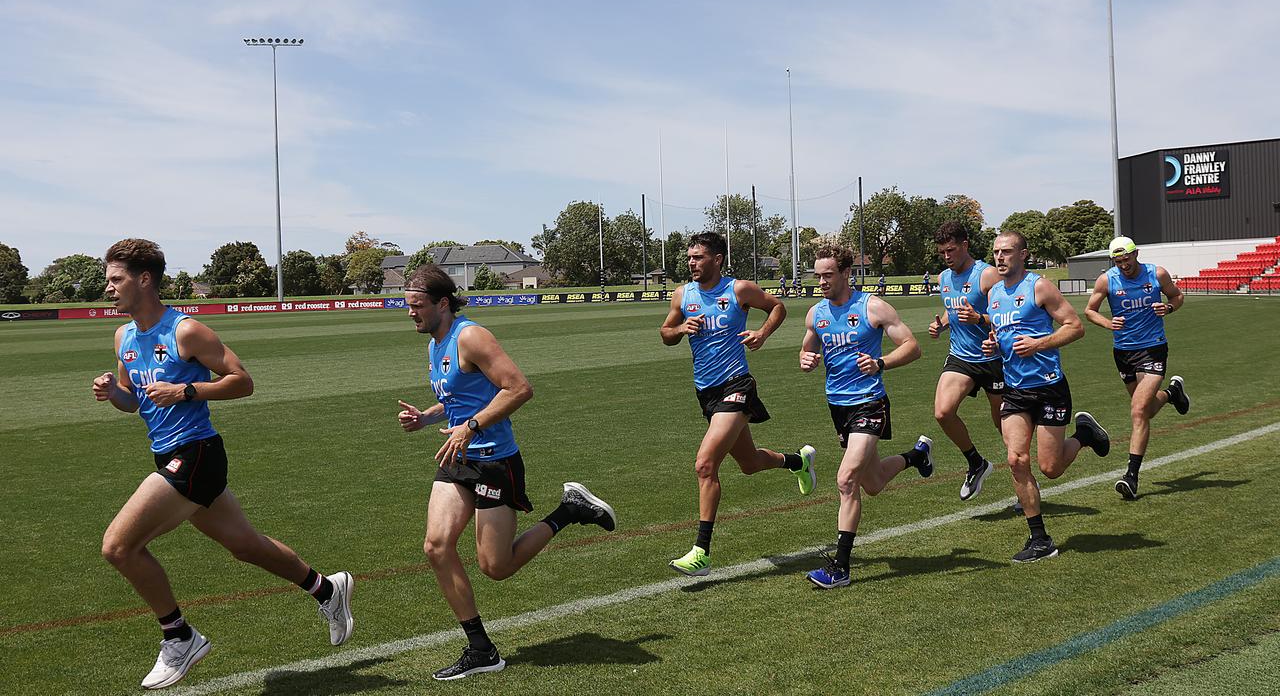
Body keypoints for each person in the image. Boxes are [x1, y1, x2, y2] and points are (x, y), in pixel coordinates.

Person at [92, 239, 353, 690]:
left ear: (144, 279)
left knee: (118, 546)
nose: (108, 289)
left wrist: (187, 391)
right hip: (168, 453)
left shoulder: (186, 331)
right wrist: (111, 393)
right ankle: (328, 590)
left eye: (116, 279)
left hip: (195, 454)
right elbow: (133, 401)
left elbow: (242, 382)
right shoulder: (124, 336)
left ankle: (179, 636)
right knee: (245, 546)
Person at [396, 265, 616, 680]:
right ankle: (481, 649)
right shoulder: (435, 341)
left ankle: (569, 510)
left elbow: (518, 388)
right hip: (456, 456)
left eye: (417, 306)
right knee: (436, 547)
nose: (411, 313)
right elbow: (461, 398)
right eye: (408, 306)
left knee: (496, 566)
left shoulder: (471, 336)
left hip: (494, 459)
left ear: (442, 303)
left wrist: (472, 426)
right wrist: (426, 418)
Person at [660, 232, 815, 577]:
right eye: (689, 257)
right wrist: (682, 328)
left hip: (737, 385)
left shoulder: (739, 290)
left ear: (717, 259)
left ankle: (701, 551)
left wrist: (762, 333)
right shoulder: (683, 294)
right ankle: (798, 461)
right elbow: (665, 333)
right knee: (749, 463)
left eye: (698, 257)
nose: (691, 262)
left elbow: (777, 306)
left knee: (704, 464)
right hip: (707, 393)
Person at [800, 243, 934, 588]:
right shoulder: (816, 313)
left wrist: (881, 363)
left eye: (828, 275)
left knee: (846, 480)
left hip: (869, 403)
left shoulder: (873, 307)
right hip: (838, 406)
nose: (822, 282)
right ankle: (916, 455)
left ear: (847, 273)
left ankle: (840, 568)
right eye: (818, 276)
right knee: (872, 483)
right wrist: (806, 359)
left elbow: (912, 347)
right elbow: (808, 347)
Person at [983, 231, 1111, 563]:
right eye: (996, 252)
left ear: (1023, 255)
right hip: (1014, 389)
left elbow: (1075, 326)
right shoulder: (994, 293)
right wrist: (995, 345)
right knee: (1016, 460)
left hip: (1049, 386)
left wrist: (1038, 344)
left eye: (1007, 251)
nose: (999, 257)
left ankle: (1084, 435)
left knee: (1050, 468)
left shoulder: (1039, 287)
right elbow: (1003, 333)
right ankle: (1039, 539)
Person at [1083, 236, 1190, 499]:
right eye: (1118, 261)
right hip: (1123, 352)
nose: (1123, 265)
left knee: (1139, 409)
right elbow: (1089, 311)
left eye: (1126, 259)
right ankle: (1172, 394)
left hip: (1153, 347)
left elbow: (1177, 297)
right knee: (1148, 408)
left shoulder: (1157, 274)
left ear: (1136, 254)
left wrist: (1168, 307)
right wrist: (1107, 323)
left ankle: (1131, 476)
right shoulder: (1107, 280)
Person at [927, 221, 1005, 502]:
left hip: (994, 358)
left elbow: (1007, 315)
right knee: (942, 412)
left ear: (965, 245)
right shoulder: (943, 278)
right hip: (961, 357)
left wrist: (982, 321)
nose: (947, 257)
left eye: (951, 250)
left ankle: (1024, 482)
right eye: (942, 252)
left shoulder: (988, 276)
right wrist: (942, 325)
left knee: (1005, 428)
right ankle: (975, 462)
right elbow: (955, 310)